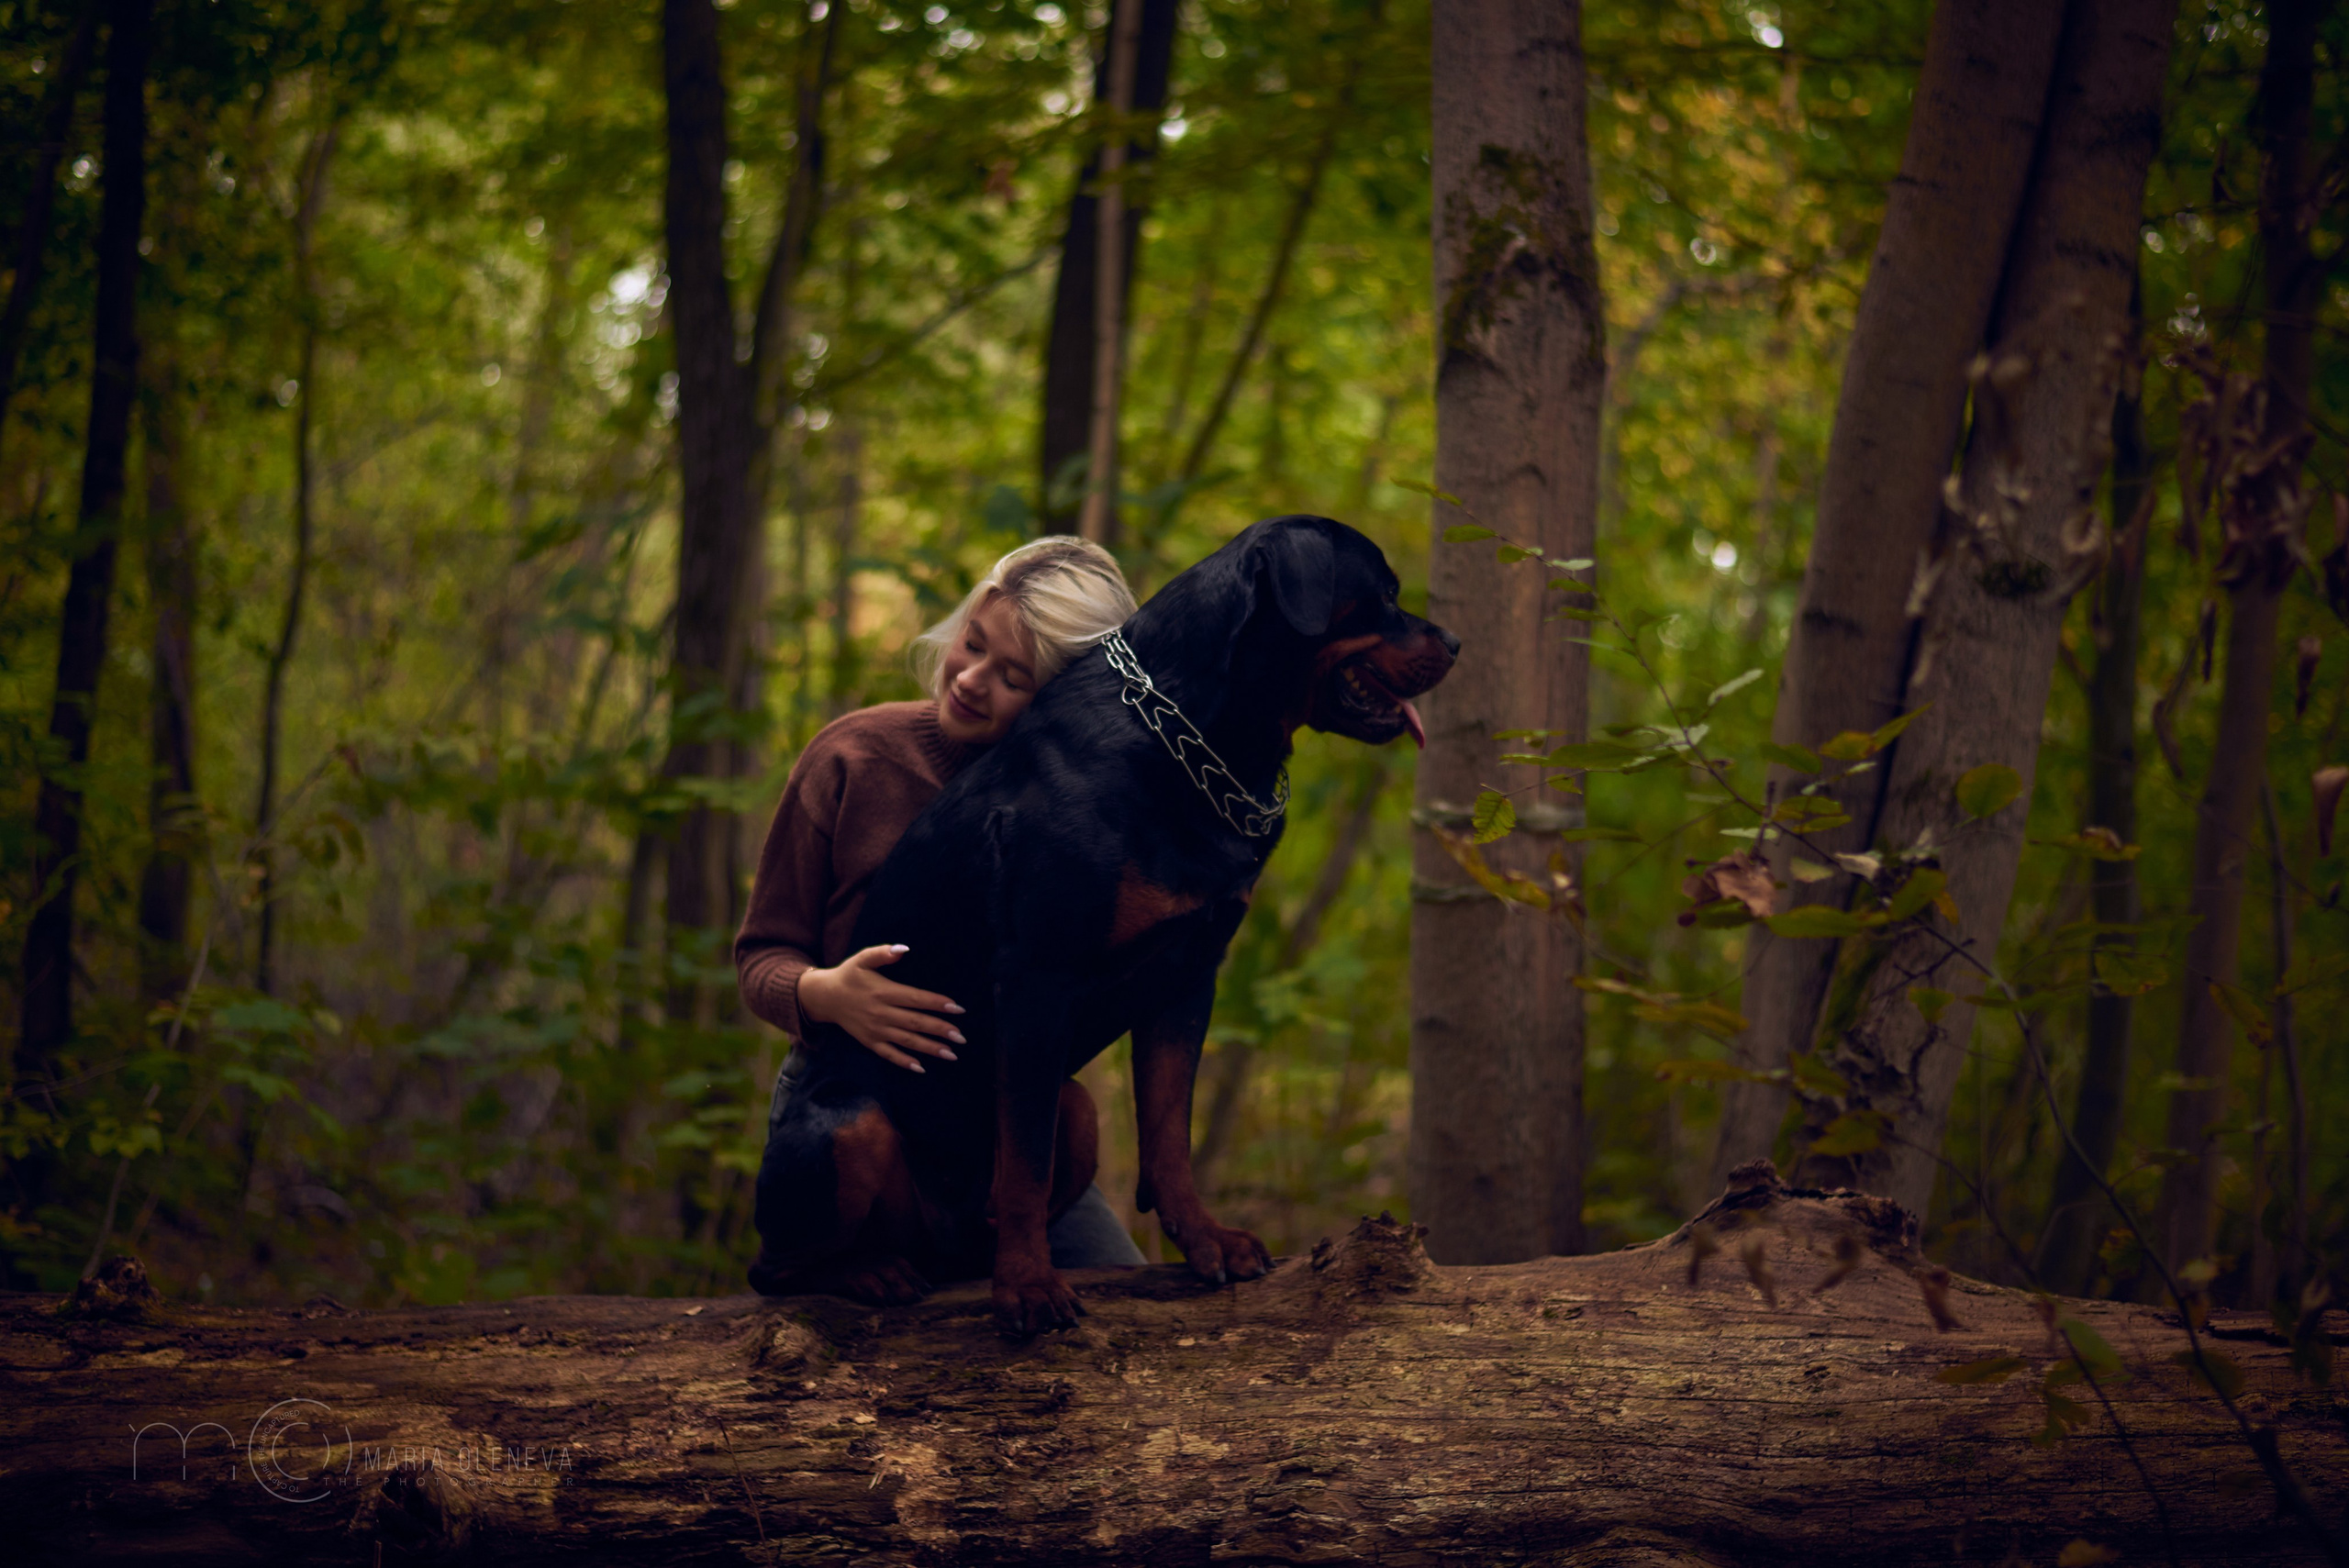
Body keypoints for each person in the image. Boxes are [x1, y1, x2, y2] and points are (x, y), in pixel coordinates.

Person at [735, 535, 1146, 1275]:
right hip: (852, 1103)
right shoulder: (853, 756)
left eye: (1013, 677)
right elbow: (760, 955)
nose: (971, 678)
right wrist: (826, 994)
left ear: (1063, 703)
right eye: (973, 642)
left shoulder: (1075, 817)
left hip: (994, 1126)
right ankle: (847, 1264)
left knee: (1119, 1273)